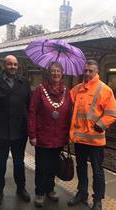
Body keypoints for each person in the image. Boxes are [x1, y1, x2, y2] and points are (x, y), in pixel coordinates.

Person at [67, 60, 116, 210]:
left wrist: (100, 125)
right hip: (79, 139)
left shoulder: (105, 90)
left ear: (97, 72)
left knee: (97, 171)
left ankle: (98, 199)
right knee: (81, 167)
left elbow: (113, 113)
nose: (87, 73)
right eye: (85, 71)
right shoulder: (76, 89)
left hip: (95, 141)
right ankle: (82, 193)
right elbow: (66, 105)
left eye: (91, 71)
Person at [0, 55, 31, 206]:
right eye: (10, 64)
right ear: (4, 65)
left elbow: (29, 106)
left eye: (15, 64)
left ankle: (21, 188)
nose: (13, 67)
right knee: (1, 162)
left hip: (20, 131)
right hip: (0, 132)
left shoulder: (24, 83)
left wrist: (28, 127)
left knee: (19, 162)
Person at [28, 62, 72, 207]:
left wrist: (69, 134)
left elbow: (69, 114)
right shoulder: (40, 90)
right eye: (53, 71)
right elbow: (32, 112)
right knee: (41, 166)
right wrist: (32, 134)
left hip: (59, 137)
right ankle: (40, 192)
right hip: (42, 136)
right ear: (48, 73)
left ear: (62, 73)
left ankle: (50, 189)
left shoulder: (66, 91)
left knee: (54, 165)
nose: (56, 73)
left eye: (58, 71)